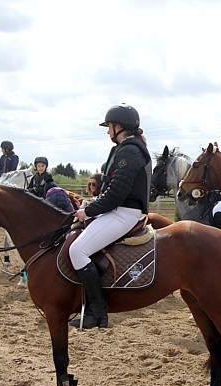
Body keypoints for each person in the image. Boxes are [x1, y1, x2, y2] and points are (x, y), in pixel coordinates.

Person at [68, 104, 152, 329]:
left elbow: (117, 194)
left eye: (109, 127)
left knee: (78, 250)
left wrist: (88, 211)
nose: (107, 131)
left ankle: (98, 311)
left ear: (119, 127)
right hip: (116, 210)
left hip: (124, 212)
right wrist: (92, 205)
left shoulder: (130, 151)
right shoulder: (125, 148)